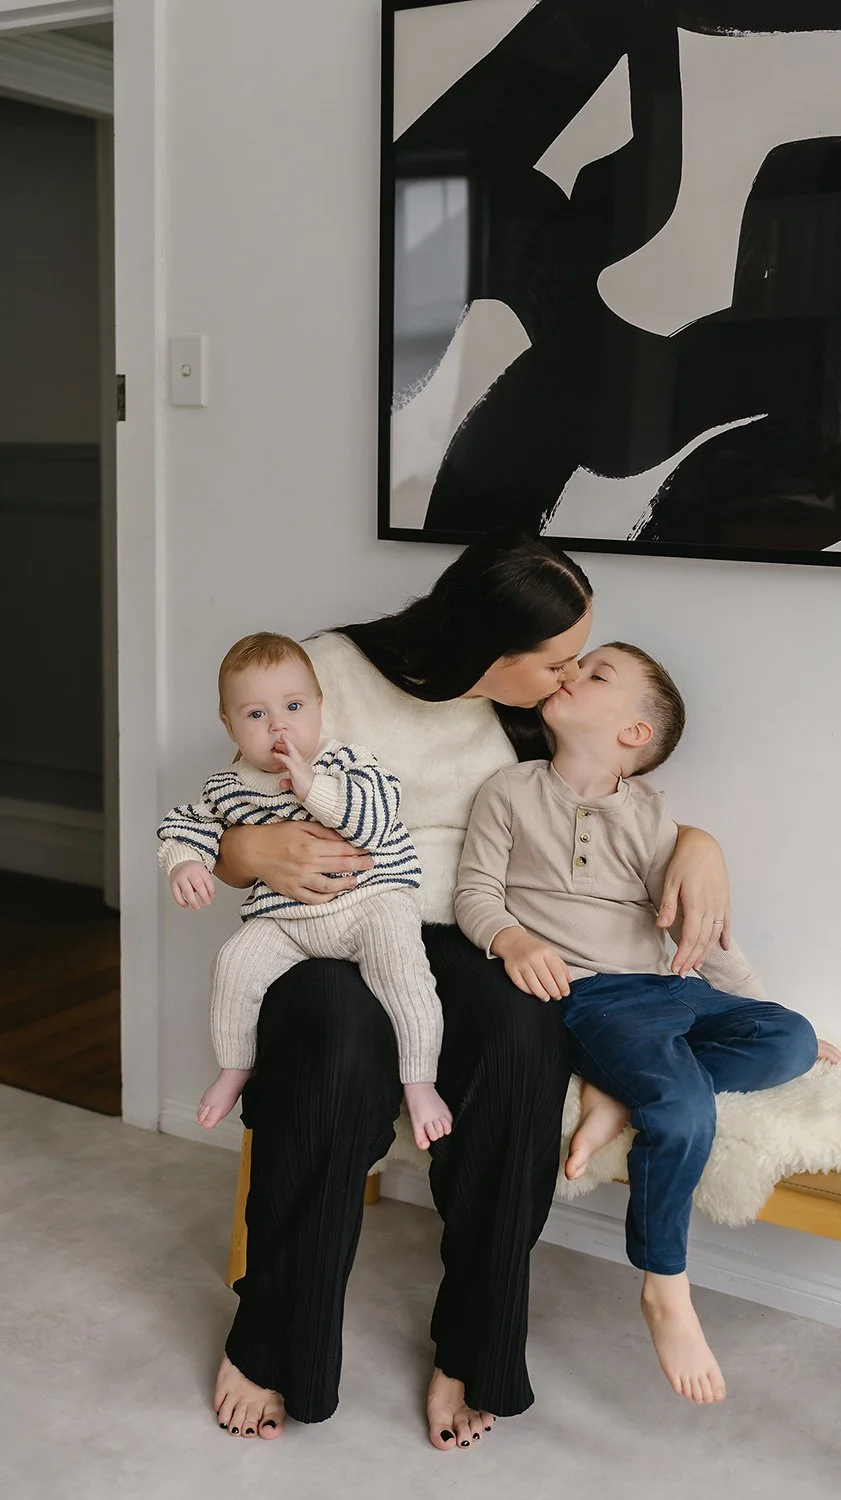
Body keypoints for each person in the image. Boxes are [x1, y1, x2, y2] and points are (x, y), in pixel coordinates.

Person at [210, 532, 739, 1448]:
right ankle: (273, 1335)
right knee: (336, 1050)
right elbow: (229, 815)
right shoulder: (327, 670)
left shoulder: (526, 715)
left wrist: (702, 844)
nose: (567, 679)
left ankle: (476, 1344)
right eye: (557, 661)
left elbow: (605, 802)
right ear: (490, 648)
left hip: (464, 931)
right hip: (326, 923)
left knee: (522, 1043)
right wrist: (249, 851)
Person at [455, 641, 838, 1407]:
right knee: (684, 1106)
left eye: (596, 674)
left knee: (790, 1038)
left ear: (633, 734)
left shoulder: (651, 817)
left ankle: (620, 1095)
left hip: (668, 986)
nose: (572, 673)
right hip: (591, 999)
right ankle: (666, 1283)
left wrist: (758, 1004)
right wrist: (513, 939)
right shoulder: (509, 791)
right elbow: (474, 893)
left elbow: (702, 933)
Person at [156, 632, 451, 1148]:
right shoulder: (228, 786)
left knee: (403, 970)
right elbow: (187, 825)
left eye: (293, 707)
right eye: (256, 714)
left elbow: (374, 822)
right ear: (228, 725)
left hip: (369, 905)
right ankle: (234, 1068)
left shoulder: (347, 763)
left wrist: (312, 786)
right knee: (233, 964)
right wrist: (184, 862)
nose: (279, 726)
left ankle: (420, 1081)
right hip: (285, 921)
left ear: (319, 706)